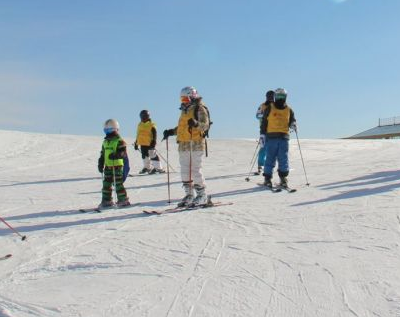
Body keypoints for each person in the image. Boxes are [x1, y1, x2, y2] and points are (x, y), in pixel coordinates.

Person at [163, 86, 210, 207]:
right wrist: (171, 132)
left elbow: (205, 125)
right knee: (184, 170)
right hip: (183, 144)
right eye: (182, 99)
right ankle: (189, 195)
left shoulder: (200, 108)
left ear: (192, 96)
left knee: (195, 170)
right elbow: (182, 128)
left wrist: (196, 123)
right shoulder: (184, 110)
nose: (183, 101)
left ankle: (202, 195)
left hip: (195, 143)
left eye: (185, 98)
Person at [260, 88, 297, 188]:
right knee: (270, 158)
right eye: (278, 96)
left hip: (283, 137)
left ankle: (283, 178)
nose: (280, 99)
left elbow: (292, 120)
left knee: (283, 158)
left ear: (285, 97)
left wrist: (293, 124)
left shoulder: (289, 110)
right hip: (271, 136)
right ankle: (267, 178)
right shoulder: (270, 107)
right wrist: (262, 134)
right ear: (275, 97)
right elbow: (264, 121)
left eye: (282, 96)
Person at [97, 119, 130, 208]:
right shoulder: (105, 142)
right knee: (106, 184)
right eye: (106, 129)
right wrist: (101, 162)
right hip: (108, 166)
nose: (107, 131)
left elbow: (123, 153)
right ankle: (106, 200)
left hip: (117, 166)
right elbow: (103, 154)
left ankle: (123, 200)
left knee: (118, 183)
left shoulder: (119, 141)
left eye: (109, 129)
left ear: (114, 129)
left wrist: (116, 155)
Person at [134, 110, 164, 174]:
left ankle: (159, 168)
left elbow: (154, 133)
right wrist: (136, 143)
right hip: (142, 143)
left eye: (144, 116)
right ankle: (147, 168)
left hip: (150, 143)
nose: (143, 118)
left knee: (152, 155)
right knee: (144, 156)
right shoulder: (140, 124)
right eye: (142, 116)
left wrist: (154, 141)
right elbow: (138, 134)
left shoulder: (151, 124)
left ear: (147, 116)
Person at [255, 90, 275, 175]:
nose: (270, 98)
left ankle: (270, 166)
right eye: (269, 96)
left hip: (274, 130)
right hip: (263, 130)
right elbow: (257, 115)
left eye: (272, 96)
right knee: (263, 147)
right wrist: (265, 115)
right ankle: (260, 165)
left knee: (273, 148)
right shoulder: (262, 106)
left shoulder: (276, 106)